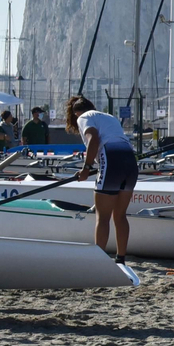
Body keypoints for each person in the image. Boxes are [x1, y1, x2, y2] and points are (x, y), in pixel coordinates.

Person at [63, 95, 138, 262]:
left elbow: (94, 139)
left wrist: (86, 168)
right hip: (130, 160)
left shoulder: (83, 117)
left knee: (102, 216)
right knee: (120, 215)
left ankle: (99, 260)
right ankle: (121, 258)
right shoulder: (109, 116)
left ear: (76, 113)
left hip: (112, 157)